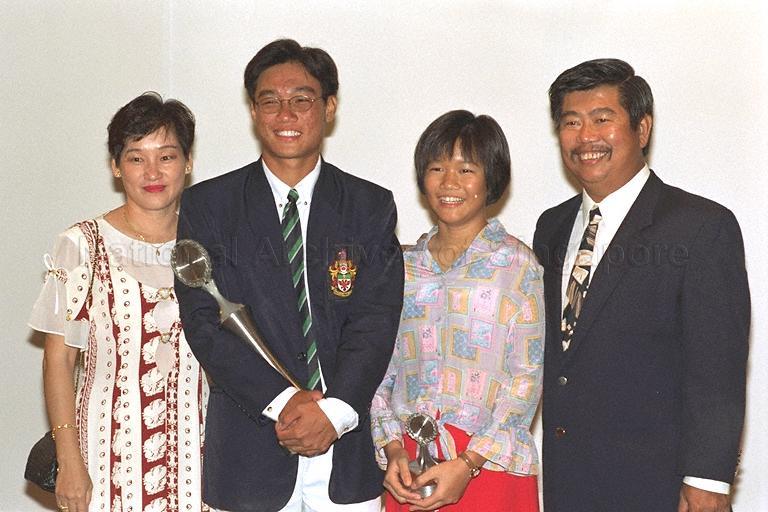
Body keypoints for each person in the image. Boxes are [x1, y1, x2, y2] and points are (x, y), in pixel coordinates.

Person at [174, 39, 404, 512]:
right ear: (254, 110)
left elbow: (376, 320)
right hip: (249, 447)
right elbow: (203, 321)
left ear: (329, 106)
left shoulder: (369, 206)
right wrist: (284, 402)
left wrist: (335, 412)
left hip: (346, 453)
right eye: (270, 101)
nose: (285, 114)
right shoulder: (208, 206)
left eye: (301, 99)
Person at [533, 58, 750, 512]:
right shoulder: (550, 228)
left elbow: (717, 370)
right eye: (571, 122)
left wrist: (708, 480)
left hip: (660, 487)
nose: (585, 137)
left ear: (642, 128)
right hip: (566, 484)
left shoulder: (700, 227)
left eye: (602, 119)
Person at [28, 92, 207, 512]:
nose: (152, 172)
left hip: (196, 459)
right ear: (115, 166)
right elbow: (58, 361)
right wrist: (70, 461)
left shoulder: (208, 246)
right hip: (105, 460)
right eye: (135, 157)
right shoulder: (82, 245)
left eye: (166, 156)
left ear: (188, 162)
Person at [371, 110, 544, 512]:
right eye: (436, 168)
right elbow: (379, 368)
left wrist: (468, 462)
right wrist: (393, 447)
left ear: (492, 179)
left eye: (466, 169)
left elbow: (526, 380)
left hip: (489, 466)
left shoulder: (518, 267)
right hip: (409, 467)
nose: (449, 183)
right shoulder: (401, 266)